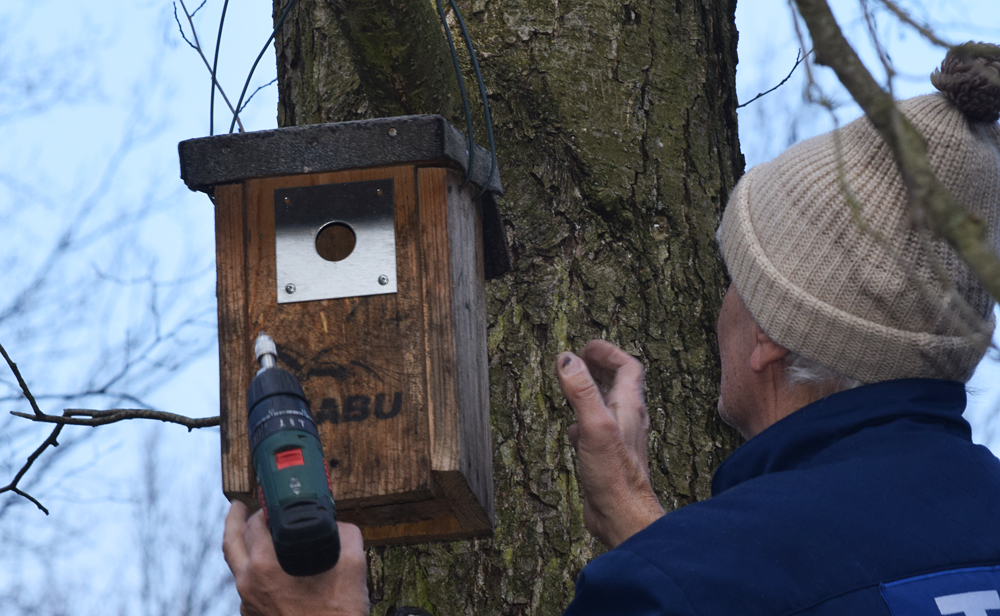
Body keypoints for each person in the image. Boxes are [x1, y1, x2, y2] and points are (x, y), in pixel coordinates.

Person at [223, 44, 1000, 616]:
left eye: (737, 279)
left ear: (770, 336)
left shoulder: (692, 581)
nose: (722, 304)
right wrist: (644, 531)